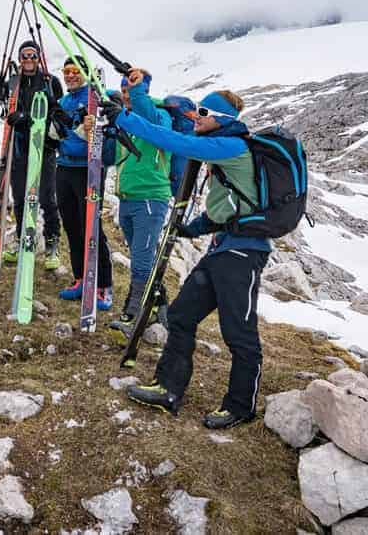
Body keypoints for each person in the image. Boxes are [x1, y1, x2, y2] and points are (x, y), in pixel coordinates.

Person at [102, 89, 270, 430]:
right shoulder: (222, 149)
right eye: (196, 109)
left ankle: (241, 406)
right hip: (222, 249)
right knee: (181, 315)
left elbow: (175, 142)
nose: (196, 116)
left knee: (239, 332)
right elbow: (228, 206)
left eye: (204, 111)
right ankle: (168, 389)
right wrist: (193, 229)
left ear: (222, 118)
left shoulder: (233, 146)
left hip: (244, 254)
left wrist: (125, 118)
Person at [0, 40, 64, 269]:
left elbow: (57, 112)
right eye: (24, 56)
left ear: (38, 58)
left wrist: (27, 118)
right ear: (20, 59)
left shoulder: (50, 82)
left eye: (32, 56)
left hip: (44, 147)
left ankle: (52, 242)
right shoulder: (13, 82)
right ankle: (23, 239)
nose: (29, 60)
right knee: (19, 198)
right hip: (18, 149)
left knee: (47, 198)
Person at [109, 68, 173, 328]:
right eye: (124, 90)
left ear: (144, 90)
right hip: (127, 199)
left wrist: (137, 93)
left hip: (150, 198)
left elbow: (152, 123)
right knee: (141, 256)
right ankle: (162, 308)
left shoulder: (160, 115)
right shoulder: (125, 120)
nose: (126, 95)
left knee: (142, 260)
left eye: (132, 89)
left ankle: (133, 313)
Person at [53, 55, 116, 310]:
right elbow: (58, 135)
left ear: (86, 73)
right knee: (71, 225)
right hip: (64, 167)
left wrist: (89, 126)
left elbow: (104, 131)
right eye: (66, 71)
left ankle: (103, 284)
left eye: (75, 71)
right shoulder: (63, 101)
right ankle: (80, 277)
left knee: (91, 226)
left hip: (88, 168)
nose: (70, 75)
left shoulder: (96, 97)